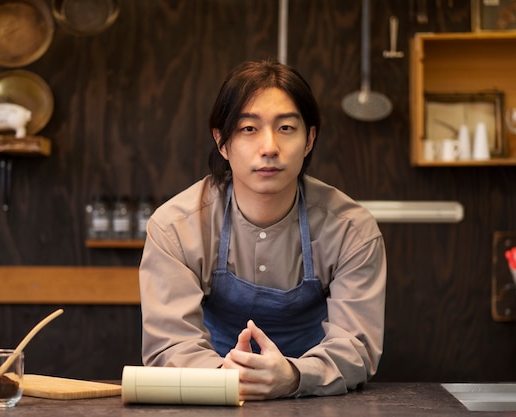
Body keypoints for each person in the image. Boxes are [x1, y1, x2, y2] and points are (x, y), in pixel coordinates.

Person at [139, 59, 386, 400]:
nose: (269, 147)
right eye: (248, 129)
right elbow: (170, 344)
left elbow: (356, 346)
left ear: (309, 139)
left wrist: (295, 375)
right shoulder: (175, 227)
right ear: (222, 142)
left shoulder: (352, 230)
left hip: (315, 397)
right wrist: (227, 378)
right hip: (214, 396)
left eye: (286, 128)